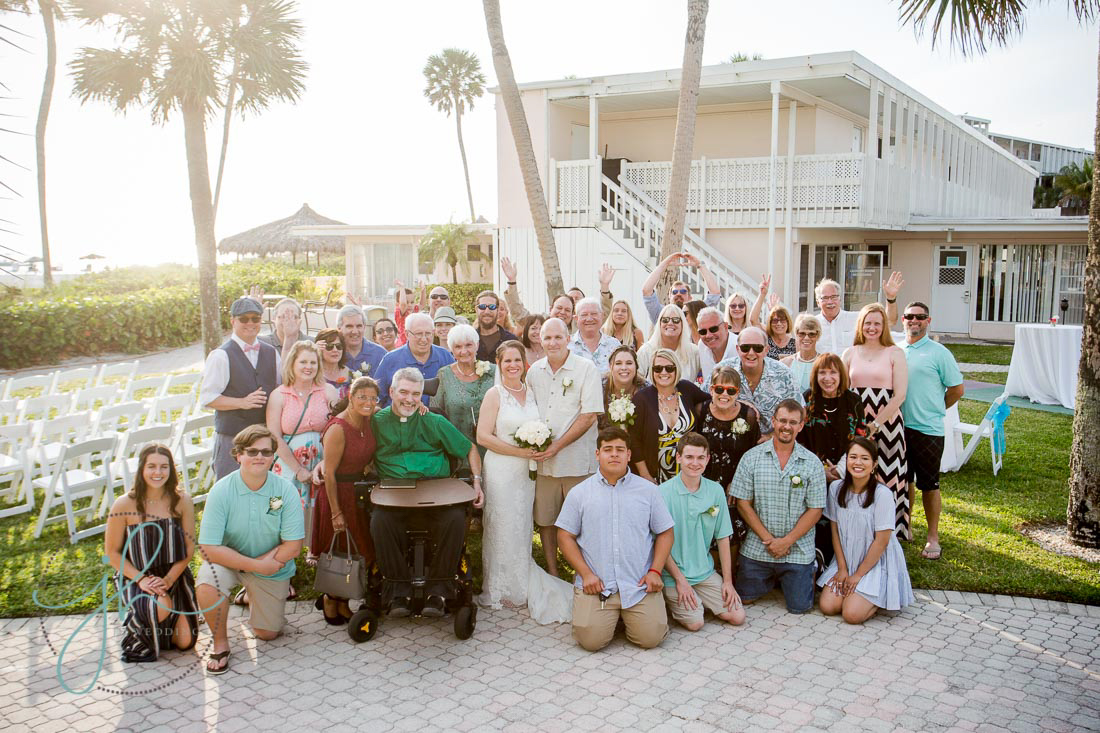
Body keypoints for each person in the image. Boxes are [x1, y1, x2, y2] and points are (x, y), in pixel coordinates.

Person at [370, 368, 485, 617]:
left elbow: (469, 449)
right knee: (380, 521)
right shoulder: (376, 422)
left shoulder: (433, 421)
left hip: (436, 491)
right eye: (403, 392)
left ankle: (439, 590)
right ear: (391, 392)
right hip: (395, 494)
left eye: (416, 394)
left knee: (455, 519)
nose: (409, 399)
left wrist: (476, 482)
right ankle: (398, 591)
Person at [475, 340, 573, 623]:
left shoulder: (532, 393)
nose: (513, 365)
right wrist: (519, 451)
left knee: (520, 526)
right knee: (500, 526)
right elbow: (483, 436)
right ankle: (498, 588)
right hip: (501, 470)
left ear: (524, 363)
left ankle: (519, 583)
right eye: (507, 361)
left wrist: (538, 445)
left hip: (526, 473)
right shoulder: (494, 394)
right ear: (499, 364)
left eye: (517, 360)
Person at [196, 426, 305, 674]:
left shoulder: (285, 490)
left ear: (273, 457)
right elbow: (208, 549)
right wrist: (255, 566)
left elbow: (293, 546)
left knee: (267, 634)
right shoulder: (221, 491)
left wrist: (263, 567)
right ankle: (220, 643)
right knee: (207, 583)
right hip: (230, 563)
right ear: (238, 455)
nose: (259, 457)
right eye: (252, 451)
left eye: (266, 452)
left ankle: (248, 594)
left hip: (272, 565)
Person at [556, 427, 675, 651]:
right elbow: (564, 536)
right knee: (590, 642)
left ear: (628, 455)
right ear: (597, 454)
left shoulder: (648, 491)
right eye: (607, 449)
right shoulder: (580, 493)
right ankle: (611, 617)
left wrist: (655, 571)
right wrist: (586, 574)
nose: (614, 454)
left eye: (620, 450)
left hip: (638, 584)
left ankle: (628, 617)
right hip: (598, 586)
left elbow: (666, 532)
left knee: (651, 639)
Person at [730, 400, 826, 614]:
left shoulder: (812, 463)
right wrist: (770, 541)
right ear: (773, 421)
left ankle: (811, 565)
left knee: (800, 608)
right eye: (782, 420)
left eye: (793, 422)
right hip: (758, 547)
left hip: (797, 549)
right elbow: (743, 503)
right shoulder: (752, 458)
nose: (786, 426)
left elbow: (816, 509)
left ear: (801, 425)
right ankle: (771, 579)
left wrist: (786, 542)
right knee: (744, 600)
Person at [105, 444, 197, 662]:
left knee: (186, 642)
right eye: (152, 466)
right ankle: (139, 626)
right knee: (161, 605)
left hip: (174, 574)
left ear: (171, 469)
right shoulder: (124, 504)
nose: (158, 472)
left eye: (164, 467)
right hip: (135, 575)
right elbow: (112, 554)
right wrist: (142, 580)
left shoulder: (182, 500)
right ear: (142, 469)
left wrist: (168, 579)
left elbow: (189, 548)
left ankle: (156, 623)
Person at [526, 317, 603, 575]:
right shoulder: (534, 371)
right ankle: (553, 571)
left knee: (584, 522)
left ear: (568, 339)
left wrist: (557, 446)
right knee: (546, 520)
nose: (553, 342)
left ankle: (585, 573)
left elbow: (589, 415)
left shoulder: (586, 368)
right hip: (544, 464)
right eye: (547, 337)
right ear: (540, 340)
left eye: (558, 337)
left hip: (577, 462)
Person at [818, 437, 914, 623]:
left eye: (864, 458)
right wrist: (842, 569)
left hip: (874, 562)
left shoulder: (882, 494)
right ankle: (855, 593)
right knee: (828, 607)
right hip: (847, 559)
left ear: (874, 464)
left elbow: (882, 542)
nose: (858, 463)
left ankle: (881, 597)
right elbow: (835, 531)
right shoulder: (836, 489)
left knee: (852, 615)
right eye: (853, 457)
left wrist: (858, 575)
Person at [658, 433, 746, 630]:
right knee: (696, 623)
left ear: (707, 459)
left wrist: (728, 581)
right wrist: (680, 580)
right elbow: (658, 544)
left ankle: (698, 599)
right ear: (679, 458)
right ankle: (676, 601)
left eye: (700, 458)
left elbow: (723, 537)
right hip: (674, 575)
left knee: (737, 616)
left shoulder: (715, 491)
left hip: (704, 573)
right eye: (689, 457)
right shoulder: (662, 493)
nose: (695, 463)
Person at [899, 301, 964, 561]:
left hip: (928, 429)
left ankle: (933, 536)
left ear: (928, 320)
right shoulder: (897, 350)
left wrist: (937, 408)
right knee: (905, 482)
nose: (914, 321)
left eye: (920, 317)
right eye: (909, 316)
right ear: (903, 320)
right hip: (899, 429)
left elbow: (957, 389)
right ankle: (906, 526)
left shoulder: (939, 353)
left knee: (929, 484)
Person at [313, 376, 379, 625]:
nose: (368, 402)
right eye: (362, 397)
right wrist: (335, 512)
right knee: (339, 550)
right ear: (350, 397)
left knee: (357, 550)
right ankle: (330, 598)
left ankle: (343, 601)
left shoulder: (369, 418)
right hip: (337, 493)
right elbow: (329, 473)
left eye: (373, 398)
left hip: (358, 493)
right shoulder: (338, 428)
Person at [842, 303, 910, 540]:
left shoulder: (894, 353)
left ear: (884, 327)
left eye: (877, 323)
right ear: (861, 325)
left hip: (888, 424)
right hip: (857, 424)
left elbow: (899, 395)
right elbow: (843, 391)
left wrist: (876, 425)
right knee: (857, 473)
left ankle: (889, 530)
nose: (872, 328)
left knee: (887, 476)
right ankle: (858, 527)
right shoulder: (850, 353)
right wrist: (859, 425)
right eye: (867, 323)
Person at [201, 297, 280, 480]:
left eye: (255, 318)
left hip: (263, 442)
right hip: (232, 439)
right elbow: (207, 398)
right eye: (244, 319)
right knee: (229, 489)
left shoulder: (271, 352)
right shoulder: (221, 355)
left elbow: (279, 389)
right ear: (232, 321)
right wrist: (242, 402)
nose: (250, 323)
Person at [266, 341, 338, 503]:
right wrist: (298, 470)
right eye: (303, 362)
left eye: (313, 362)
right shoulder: (278, 395)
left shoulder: (328, 391)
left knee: (321, 509)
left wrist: (327, 463)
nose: (309, 367)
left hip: (324, 466)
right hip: (289, 466)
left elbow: (339, 430)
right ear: (292, 363)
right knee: (289, 510)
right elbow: (274, 437)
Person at [630, 349, 709, 484]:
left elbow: (714, 402)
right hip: (655, 476)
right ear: (652, 371)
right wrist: (645, 475)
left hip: (689, 472)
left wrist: (742, 405)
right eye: (658, 368)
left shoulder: (687, 389)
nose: (664, 372)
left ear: (676, 369)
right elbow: (634, 440)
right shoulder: (642, 399)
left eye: (669, 368)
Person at [707, 327, 802, 436]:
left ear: (766, 350)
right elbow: (704, 398)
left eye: (758, 348)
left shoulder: (784, 374)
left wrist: (772, 437)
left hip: (773, 440)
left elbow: (799, 410)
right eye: (745, 348)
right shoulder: (722, 369)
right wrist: (739, 403)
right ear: (737, 349)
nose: (751, 353)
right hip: (731, 439)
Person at [431, 324, 496, 468]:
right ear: (451, 350)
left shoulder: (493, 372)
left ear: (477, 345)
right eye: (458, 347)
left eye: (468, 345)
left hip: (492, 450)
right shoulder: (444, 375)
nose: (464, 351)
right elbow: (435, 415)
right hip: (457, 450)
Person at [799, 353, 866, 482]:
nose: (827, 378)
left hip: (847, 471)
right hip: (811, 472)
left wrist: (840, 470)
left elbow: (860, 439)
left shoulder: (854, 401)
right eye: (822, 372)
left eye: (833, 372)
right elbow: (800, 440)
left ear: (841, 375)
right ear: (815, 375)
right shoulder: (806, 399)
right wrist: (820, 471)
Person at [500, 257, 614, 331]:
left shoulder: (580, 326)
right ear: (551, 309)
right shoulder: (540, 323)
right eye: (559, 308)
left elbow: (603, 312)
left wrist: (604, 286)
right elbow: (519, 313)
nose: (562, 312)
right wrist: (511, 281)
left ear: (573, 314)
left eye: (567, 310)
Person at [697, 365, 761, 494]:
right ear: (711, 390)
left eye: (731, 391)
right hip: (703, 485)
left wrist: (738, 481)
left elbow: (753, 455)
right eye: (719, 389)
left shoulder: (748, 416)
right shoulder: (701, 411)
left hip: (737, 486)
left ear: (737, 393)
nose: (724, 394)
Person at [374, 312, 455, 408]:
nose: (424, 339)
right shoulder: (390, 360)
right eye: (418, 334)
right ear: (407, 334)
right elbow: (376, 398)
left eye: (428, 334)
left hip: (437, 416)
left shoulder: (445, 356)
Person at [814, 273, 903, 356]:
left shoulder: (857, 318)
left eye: (834, 297)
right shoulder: (813, 324)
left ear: (840, 299)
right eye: (825, 298)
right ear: (818, 302)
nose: (830, 302)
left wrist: (891, 298)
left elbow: (889, 321)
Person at [641, 252, 722, 328]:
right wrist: (665, 263)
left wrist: (700, 265)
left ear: (690, 297)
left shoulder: (697, 312)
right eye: (674, 292)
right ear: (669, 296)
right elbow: (646, 291)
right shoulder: (661, 313)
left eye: (683, 291)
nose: (678, 294)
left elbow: (714, 293)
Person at [637, 303, 699, 382]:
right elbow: (636, 381)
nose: (670, 323)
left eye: (676, 320)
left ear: (682, 324)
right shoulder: (645, 351)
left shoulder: (694, 352)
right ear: (659, 324)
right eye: (665, 320)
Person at [570, 297, 620, 377]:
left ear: (602, 315)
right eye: (584, 315)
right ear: (576, 318)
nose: (589, 319)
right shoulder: (566, 345)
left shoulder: (614, 345)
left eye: (594, 314)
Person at [601, 344, 647, 430]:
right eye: (618, 363)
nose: (624, 368)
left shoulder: (646, 389)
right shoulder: (600, 388)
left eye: (629, 363)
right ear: (610, 366)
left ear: (636, 366)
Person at [336, 304, 387, 377]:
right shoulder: (332, 354)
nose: (355, 331)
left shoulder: (380, 354)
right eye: (349, 326)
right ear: (339, 328)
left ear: (364, 327)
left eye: (359, 326)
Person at [696, 306, 738, 384]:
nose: (708, 335)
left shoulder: (740, 346)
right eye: (703, 332)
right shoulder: (702, 345)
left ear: (725, 327)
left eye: (713, 329)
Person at [781, 314, 822, 394]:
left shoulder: (824, 363)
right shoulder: (785, 364)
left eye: (811, 334)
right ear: (796, 334)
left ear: (817, 336)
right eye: (802, 333)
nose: (806, 338)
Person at [473, 290, 517, 362]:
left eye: (492, 307)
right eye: (482, 307)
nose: (487, 311)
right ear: (476, 309)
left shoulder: (511, 340)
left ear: (497, 310)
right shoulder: (469, 340)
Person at [315, 328, 352, 400]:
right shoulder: (313, 374)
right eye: (329, 346)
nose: (335, 350)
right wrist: (313, 351)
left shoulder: (351, 374)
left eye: (339, 346)